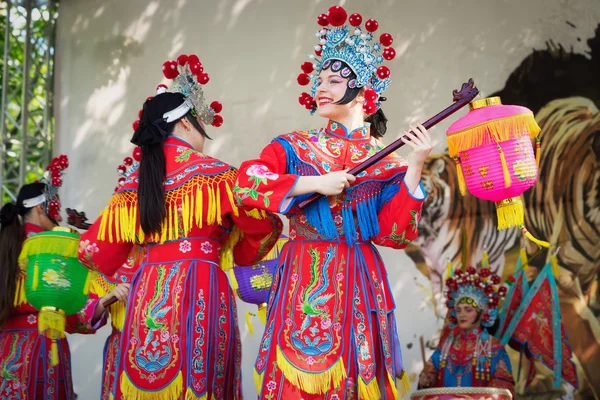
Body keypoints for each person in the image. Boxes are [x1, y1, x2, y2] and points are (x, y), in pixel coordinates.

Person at [234, 6, 431, 399]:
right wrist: (315, 183)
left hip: (360, 274)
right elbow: (247, 184)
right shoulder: (293, 145)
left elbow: (394, 234)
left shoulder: (387, 160)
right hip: (303, 271)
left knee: (360, 372)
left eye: (335, 80)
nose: (321, 87)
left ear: (364, 90)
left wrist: (414, 166)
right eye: (319, 79)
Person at [78, 53, 283, 399]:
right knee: (200, 378)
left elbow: (95, 252)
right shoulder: (217, 174)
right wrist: (236, 249)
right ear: (186, 124)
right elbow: (260, 225)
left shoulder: (134, 186)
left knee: (152, 382)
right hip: (201, 285)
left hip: (147, 290)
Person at [0, 161, 128, 399]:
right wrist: (102, 302)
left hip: (6, 348)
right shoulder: (57, 247)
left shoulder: (7, 244)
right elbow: (73, 309)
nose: (58, 212)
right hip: (41, 348)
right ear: (41, 208)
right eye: (54, 204)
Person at [418, 265, 515, 395]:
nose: (462, 314)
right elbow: (431, 370)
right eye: (458, 310)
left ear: (482, 313)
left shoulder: (494, 348)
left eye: (468, 309)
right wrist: (427, 378)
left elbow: (503, 384)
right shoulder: (447, 345)